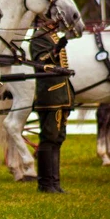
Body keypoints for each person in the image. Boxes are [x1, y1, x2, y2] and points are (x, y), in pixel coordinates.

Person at [30, 24, 74, 193]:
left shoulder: (51, 35)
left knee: (58, 138)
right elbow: (41, 62)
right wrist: (57, 48)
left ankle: (55, 182)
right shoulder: (39, 36)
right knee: (49, 138)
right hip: (50, 96)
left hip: (61, 94)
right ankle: (45, 183)